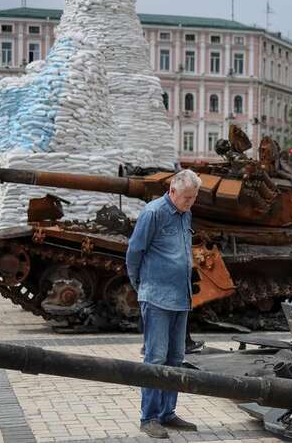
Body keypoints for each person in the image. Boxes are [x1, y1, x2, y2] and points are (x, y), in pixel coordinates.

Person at [126, 169, 202, 439]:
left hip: (180, 298)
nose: (190, 202)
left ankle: (168, 412)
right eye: (186, 198)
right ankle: (149, 417)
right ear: (172, 191)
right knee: (155, 358)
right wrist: (140, 285)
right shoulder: (153, 213)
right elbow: (134, 251)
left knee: (175, 359)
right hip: (156, 297)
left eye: (193, 198)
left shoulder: (186, 213)